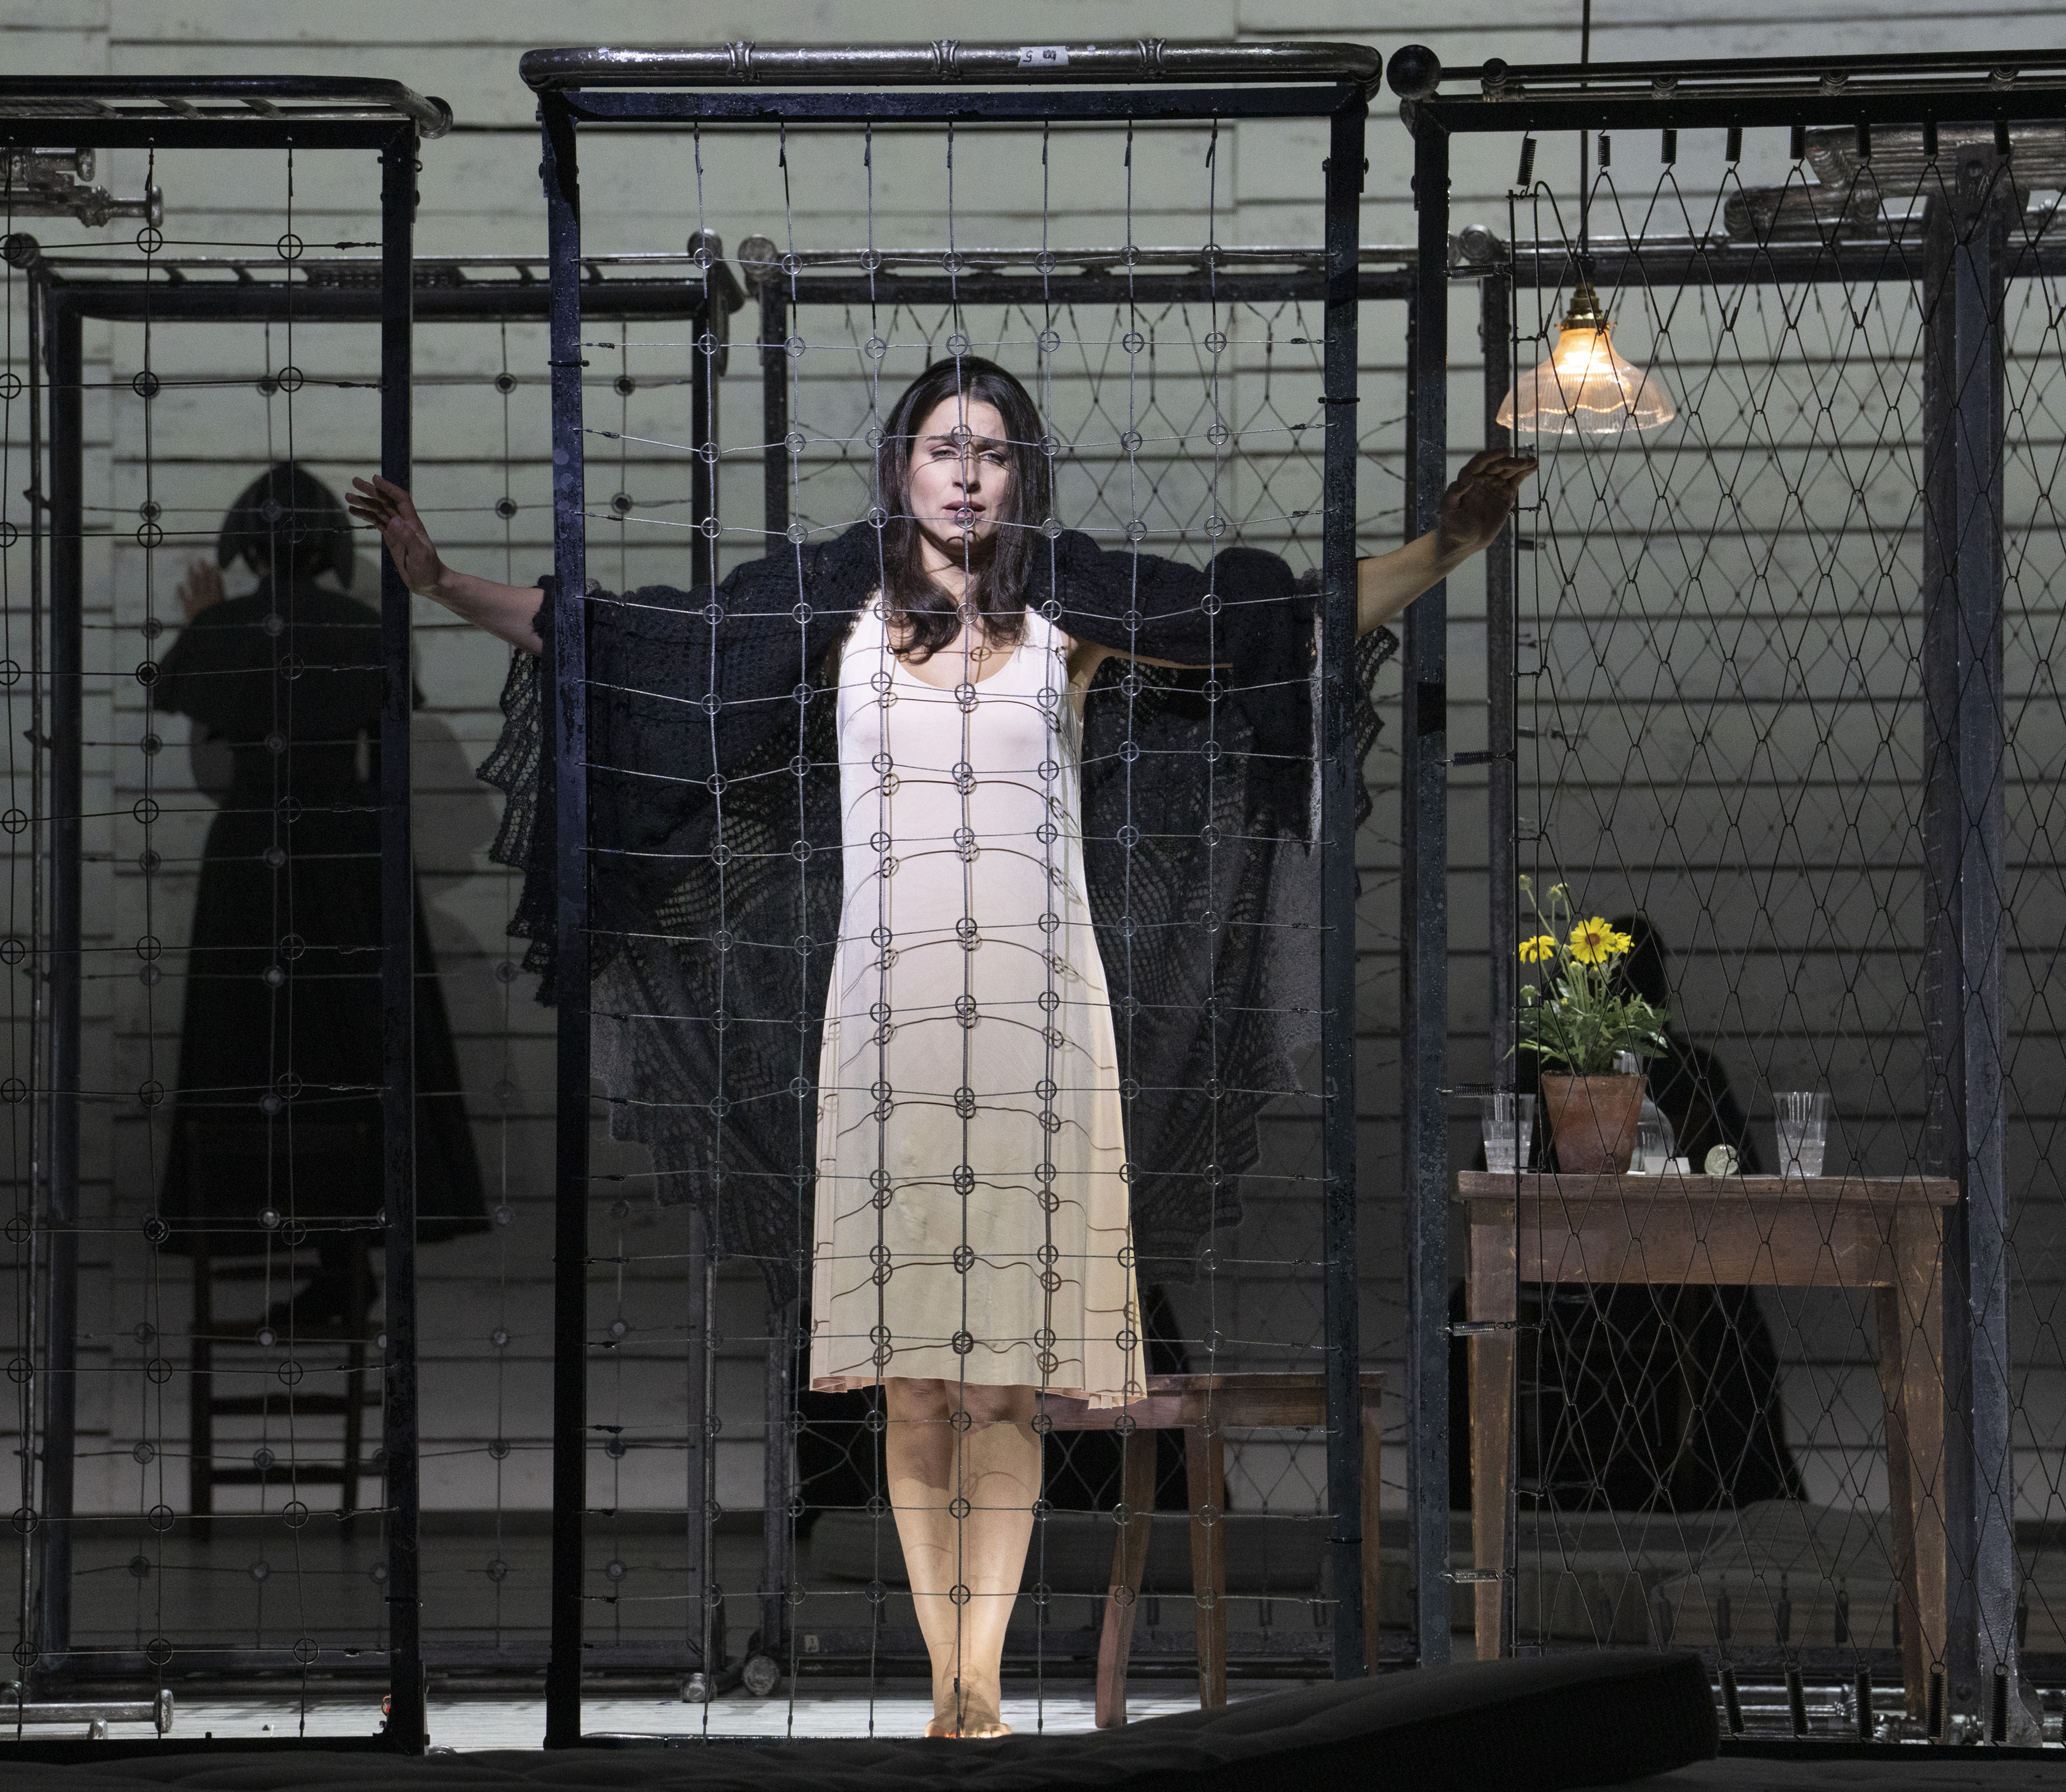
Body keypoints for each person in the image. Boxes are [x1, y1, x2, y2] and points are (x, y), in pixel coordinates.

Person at [351, 357, 1531, 1737]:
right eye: (941, 449)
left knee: (1006, 1377)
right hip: (888, 1034)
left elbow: (1284, 624)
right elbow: (624, 644)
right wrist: (439, 583)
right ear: (901, 470)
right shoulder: (834, 612)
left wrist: (1449, 544)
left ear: (1021, 473)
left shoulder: (1072, 623)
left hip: (1040, 1034)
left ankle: (978, 1682)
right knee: (914, 1383)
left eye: (992, 451)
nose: (966, 472)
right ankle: (949, 1677)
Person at [151, 465, 485, 1324]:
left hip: (253, 850)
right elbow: (385, 752)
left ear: (245, 548)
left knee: (252, 1041)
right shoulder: (362, 628)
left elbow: (210, 760)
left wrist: (214, 633)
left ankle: (307, 1251)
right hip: (348, 846)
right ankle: (341, 1260)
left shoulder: (223, 628)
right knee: (350, 1044)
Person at [1454, 918, 1803, 1513]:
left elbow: (1736, 1175)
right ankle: (1732, 1493)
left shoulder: (1674, 1071)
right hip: (1615, 1286)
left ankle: (1476, 1491)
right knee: (1728, 1318)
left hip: (1603, 1289)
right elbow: (1738, 1176)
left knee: (1468, 1313)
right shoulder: (1551, 1073)